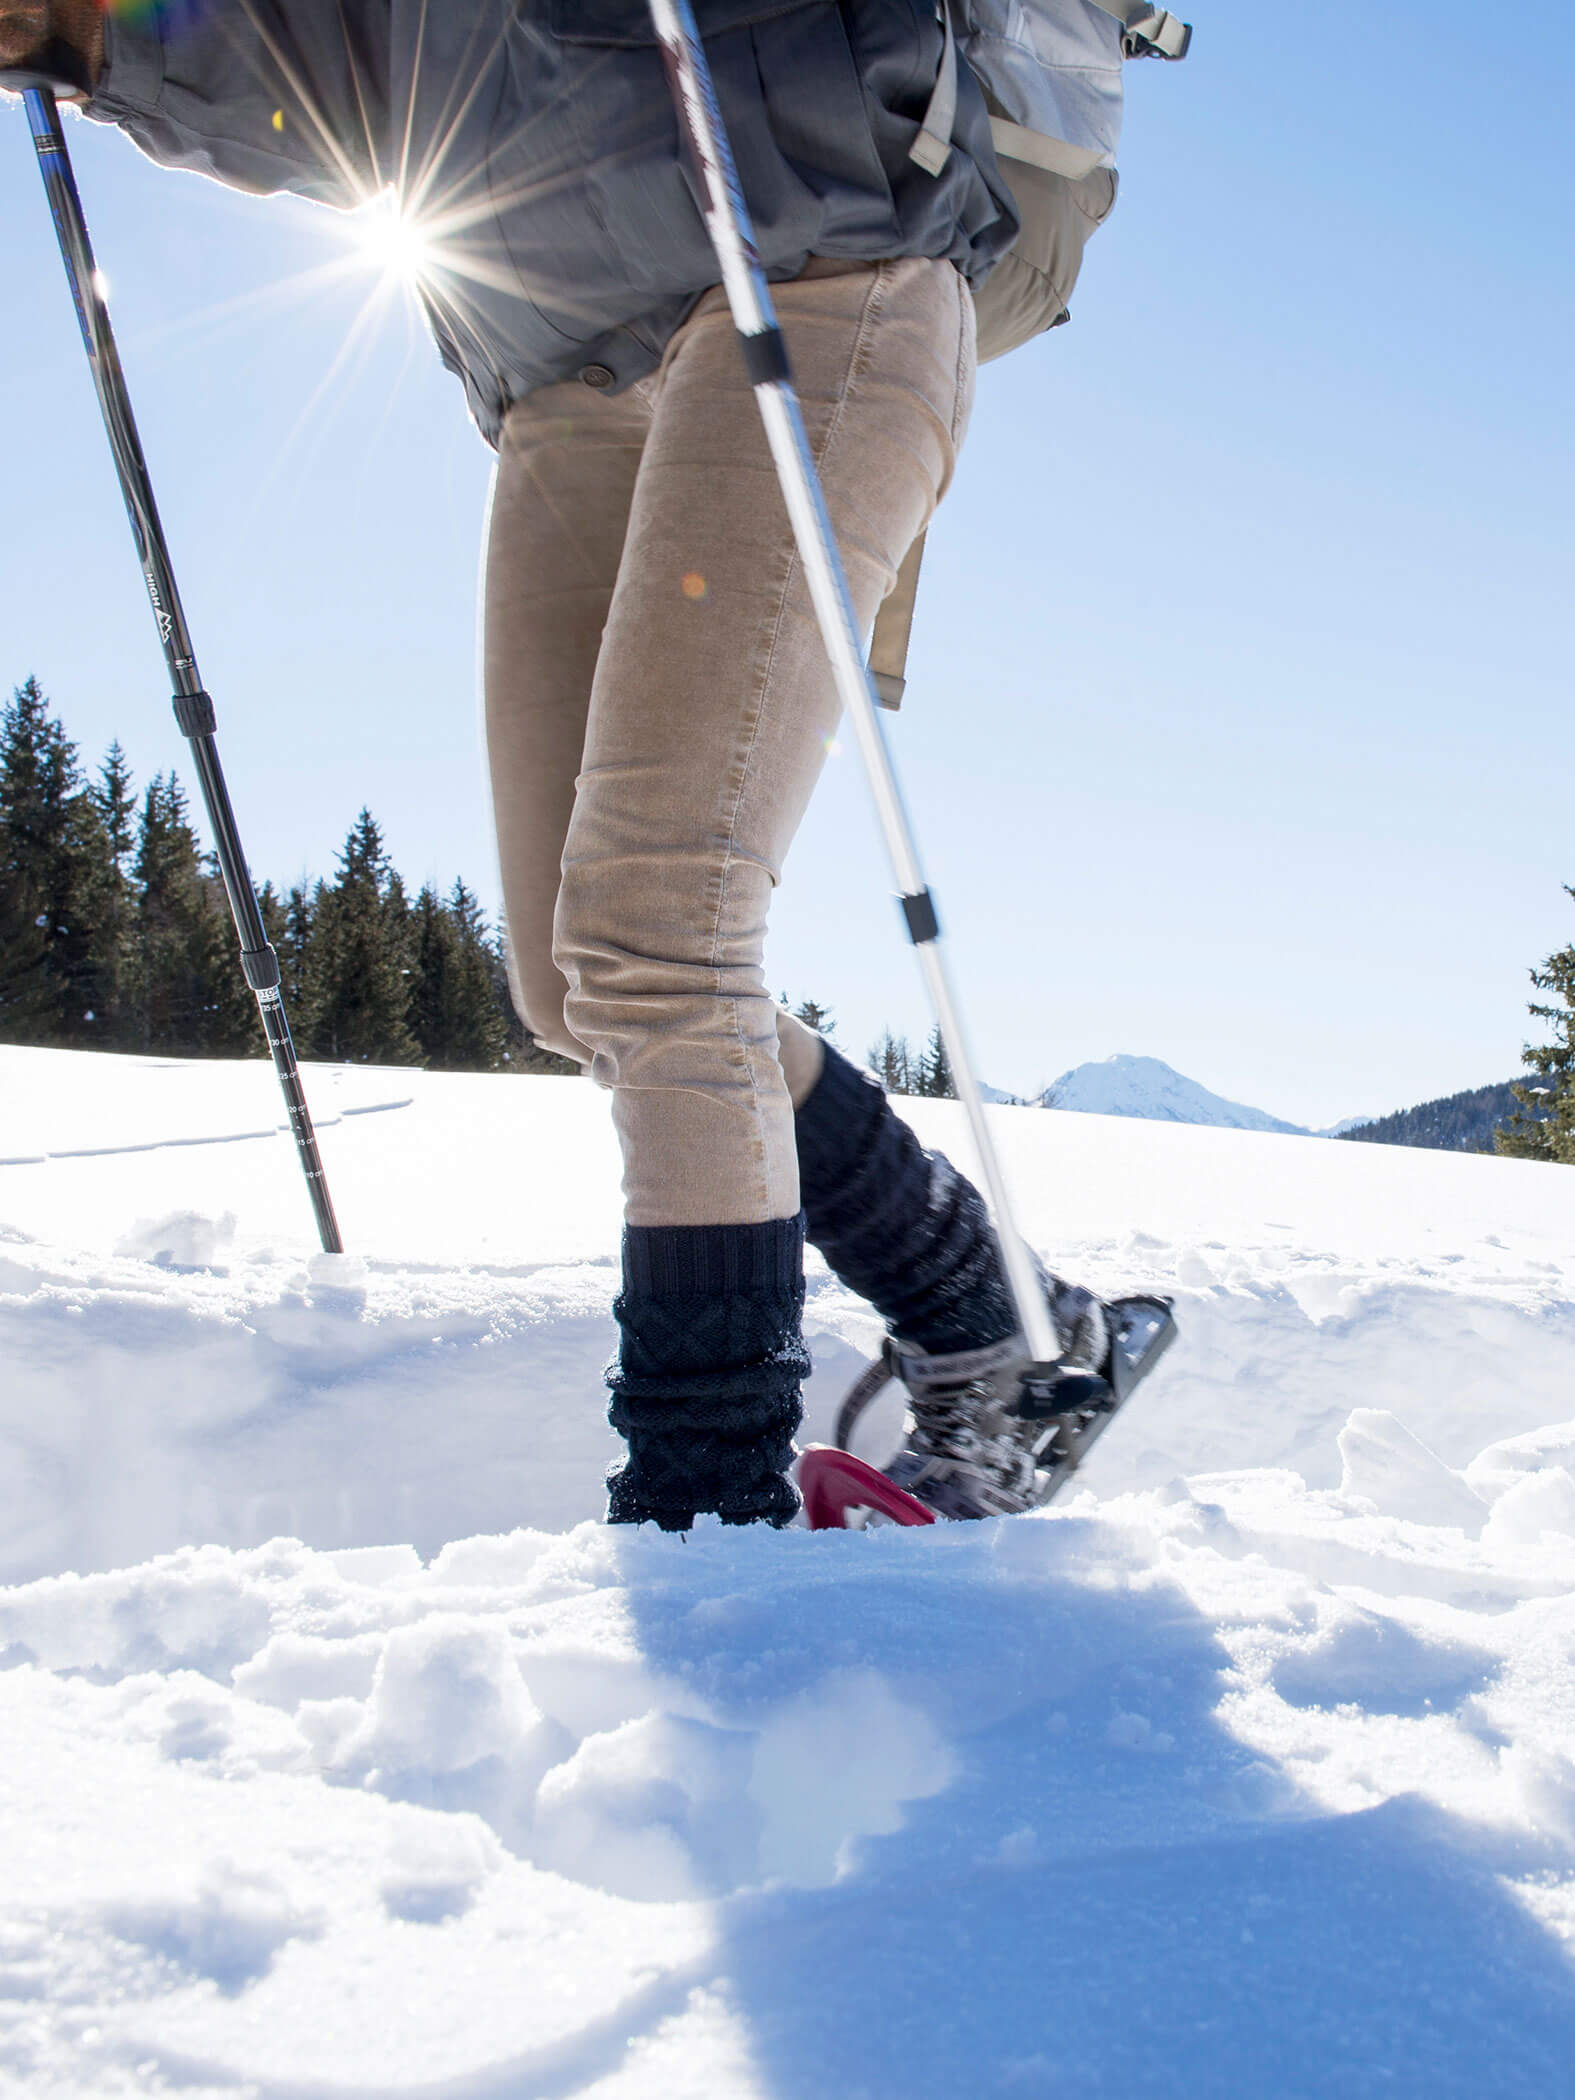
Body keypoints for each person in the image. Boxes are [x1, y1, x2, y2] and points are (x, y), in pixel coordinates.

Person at [1, 0, 1140, 1529]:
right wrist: (88, 36)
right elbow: (327, 76)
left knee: (659, 940)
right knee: (572, 975)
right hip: (555, 370)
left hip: (809, 262)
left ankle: (703, 1533)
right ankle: (997, 1320)